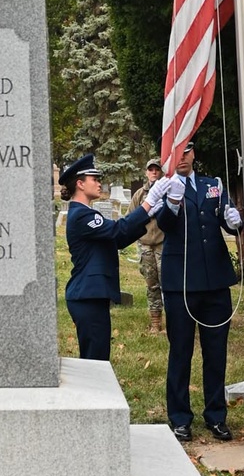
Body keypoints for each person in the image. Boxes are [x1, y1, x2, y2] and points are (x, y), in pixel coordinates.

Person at [156, 136, 243, 442]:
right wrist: (173, 202)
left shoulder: (212, 184)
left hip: (215, 280)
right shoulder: (164, 185)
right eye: (177, 151)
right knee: (181, 351)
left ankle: (216, 416)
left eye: (188, 149)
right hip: (181, 280)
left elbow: (226, 217)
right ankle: (180, 418)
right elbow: (164, 225)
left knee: (216, 351)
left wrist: (235, 221)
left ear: (194, 153)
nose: (182, 156)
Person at [61, 154, 169, 360]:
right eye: (94, 179)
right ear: (80, 184)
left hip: (91, 296)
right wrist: (148, 203)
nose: (99, 183)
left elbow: (118, 239)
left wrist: (150, 213)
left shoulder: (86, 213)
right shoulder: (82, 215)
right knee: (95, 360)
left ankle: (95, 392)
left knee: (98, 356)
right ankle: (93, 393)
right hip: (86, 297)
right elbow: (117, 230)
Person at [129, 158, 166, 334]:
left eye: (156, 169)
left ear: (161, 172)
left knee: (167, 283)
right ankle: (155, 322)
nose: (153, 172)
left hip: (163, 243)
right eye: (150, 169)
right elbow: (130, 218)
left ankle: (173, 320)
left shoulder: (168, 192)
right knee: (151, 284)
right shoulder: (139, 194)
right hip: (145, 245)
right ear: (146, 173)